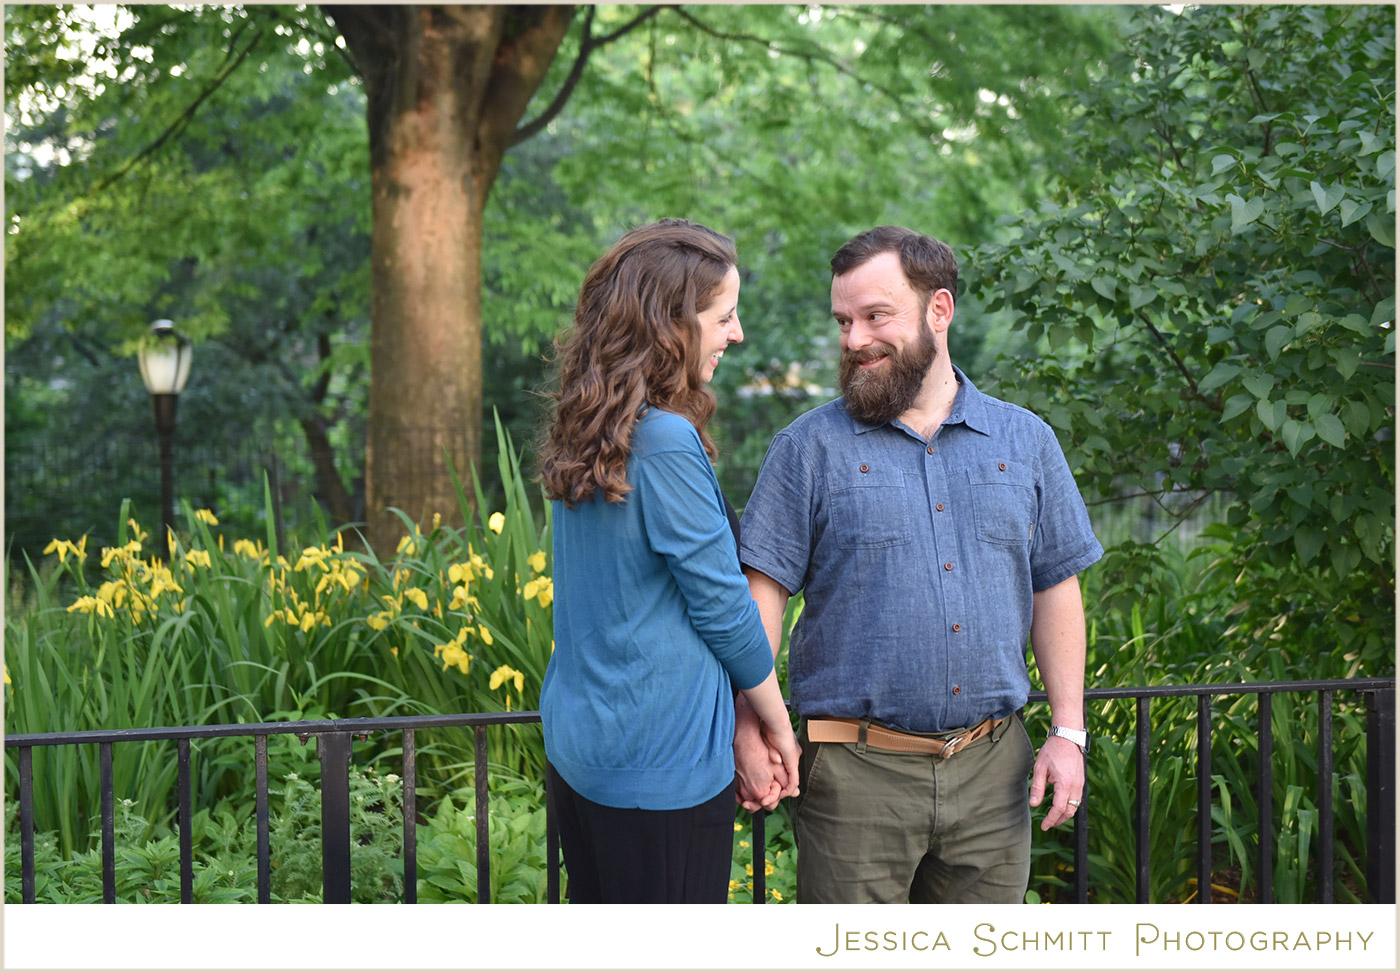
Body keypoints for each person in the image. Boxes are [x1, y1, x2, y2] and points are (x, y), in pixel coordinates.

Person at [733, 225, 1102, 904]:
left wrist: (1069, 732)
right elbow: (763, 595)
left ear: (939, 310)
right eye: (844, 321)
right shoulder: (806, 449)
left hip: (995, 775)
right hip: (853, 779)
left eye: (876, 316)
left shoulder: (1026, 442)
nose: (853, 340)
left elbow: (1057, 586)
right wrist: (747, 722)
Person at [537, 218, 801, 904]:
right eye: (724, 317)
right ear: (671, 326)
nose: (736, 334)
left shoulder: (590, 429)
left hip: (583, 751)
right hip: (661, 770)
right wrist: (775, 723)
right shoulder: (665, 442)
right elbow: (725, 609)